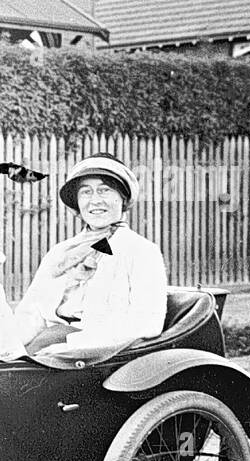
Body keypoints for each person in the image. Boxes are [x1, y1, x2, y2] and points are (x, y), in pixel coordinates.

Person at [14, 153, 168, 365]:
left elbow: (146, 323)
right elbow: (30, 311)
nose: (95, 200)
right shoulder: (61, 253)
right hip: (46, 352)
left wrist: (72, 344)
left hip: (99, 357)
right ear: (77, 203)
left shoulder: (142, 252)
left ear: (123, 198)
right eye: (86, 192)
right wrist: (10, 347)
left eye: (104, 190)